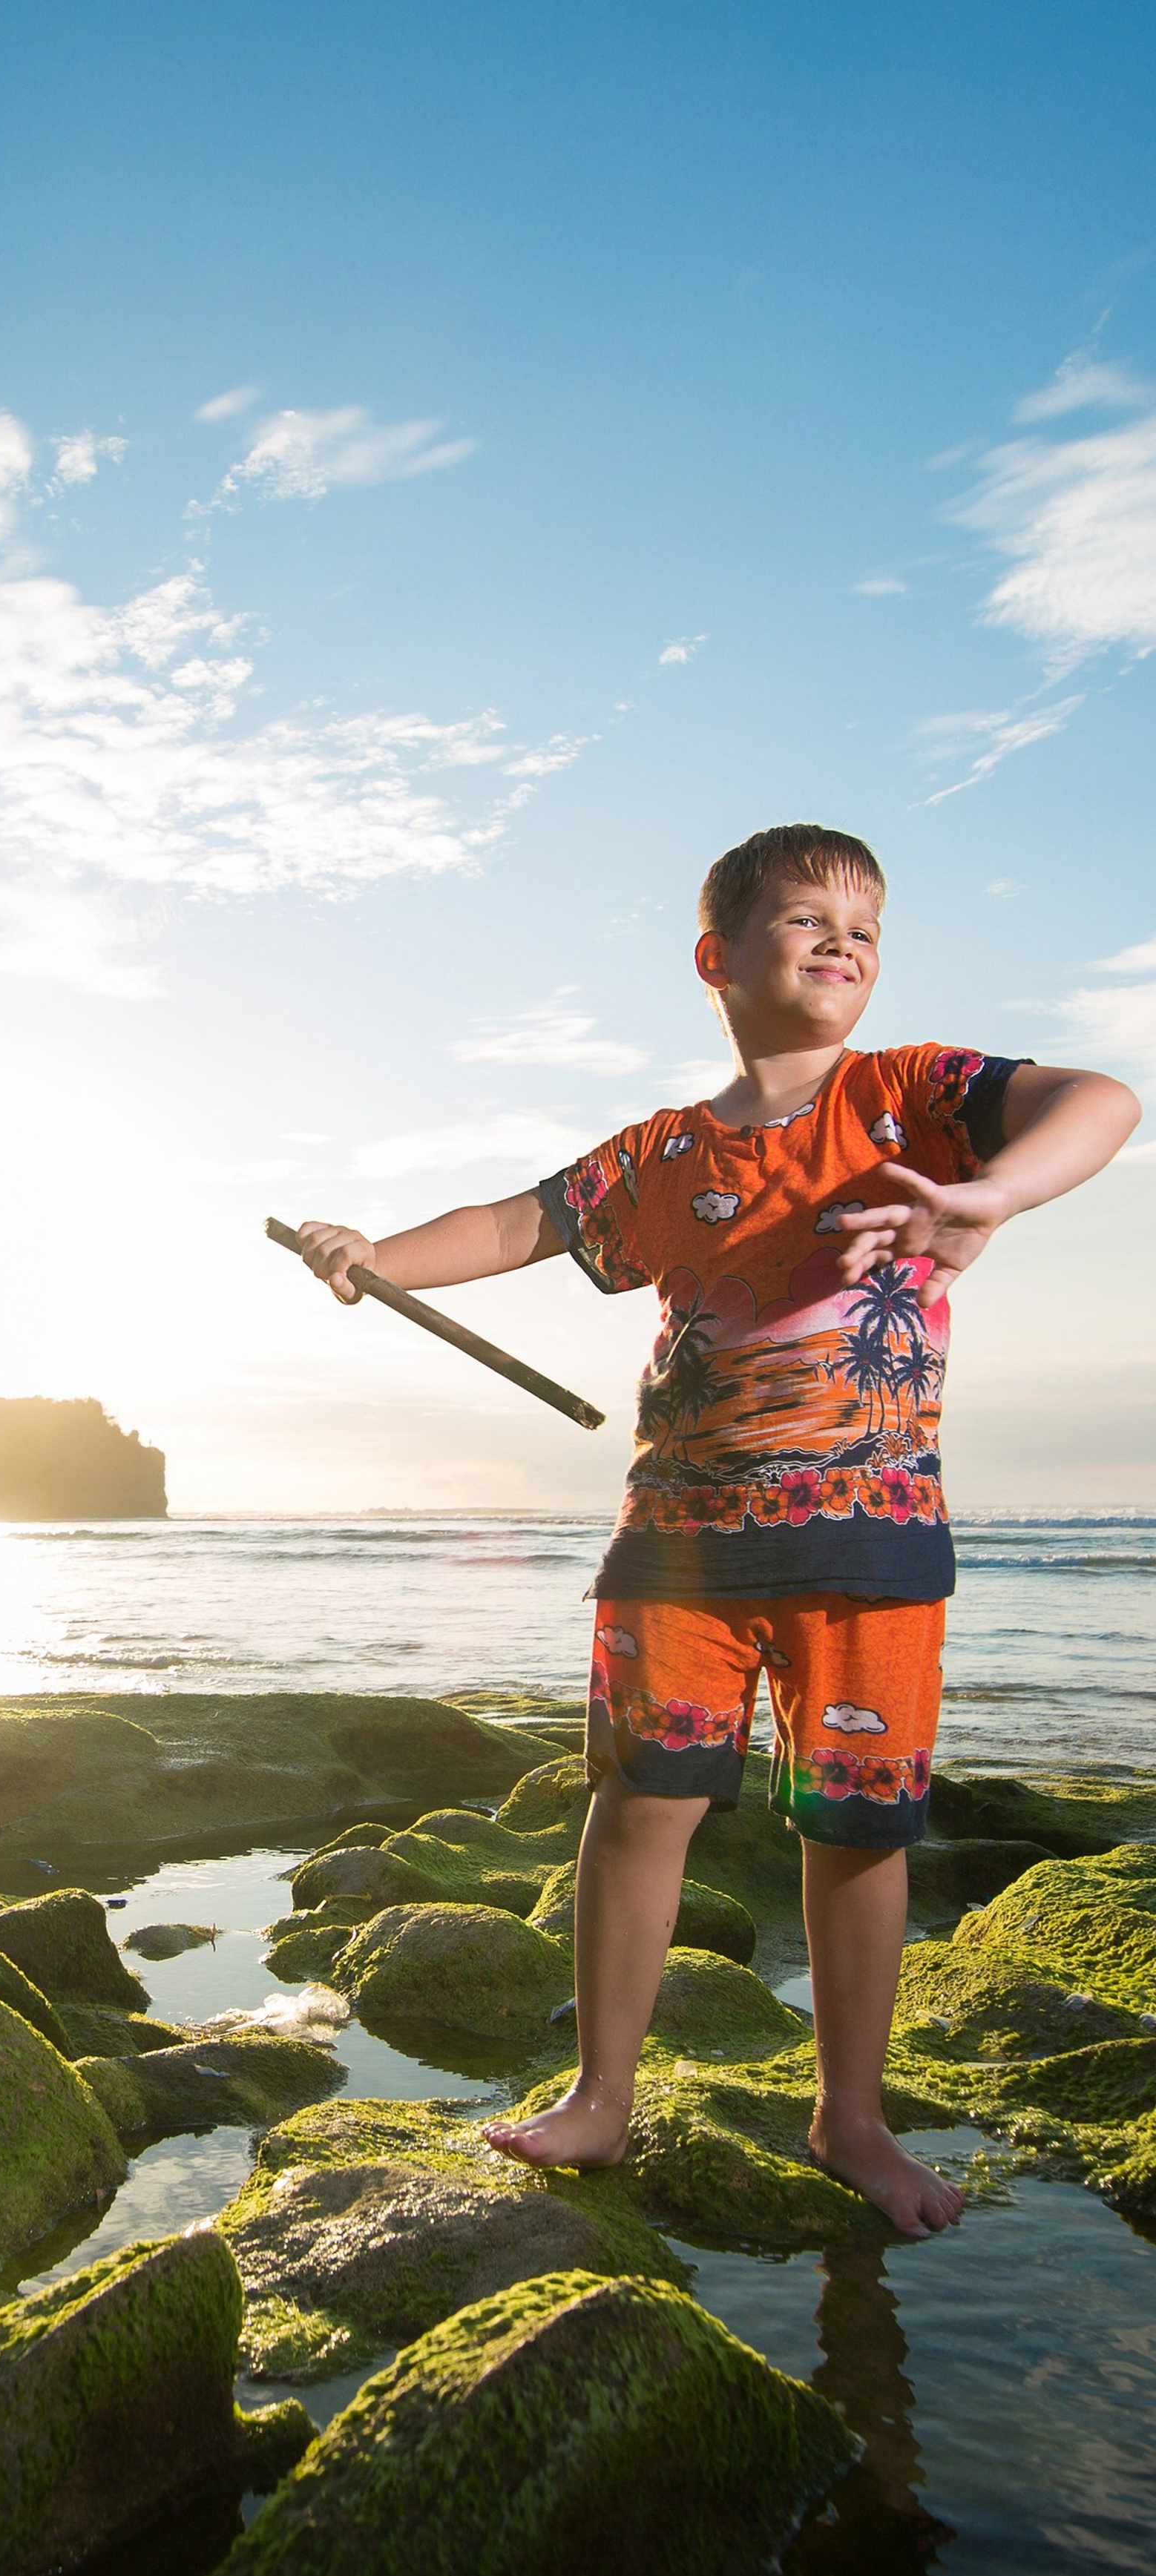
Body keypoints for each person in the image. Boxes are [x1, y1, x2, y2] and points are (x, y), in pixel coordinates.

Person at [297, 823, 1140, 2236]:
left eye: (866, 930)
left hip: (869, 1542)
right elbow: (517, 1224)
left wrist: (985, 1195)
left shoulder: (912, 1097)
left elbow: (1104, 1099)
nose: (843, 944)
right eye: (806, 920)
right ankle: (601, 2096)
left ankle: (850, 2120)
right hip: (681, 1545)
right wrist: (376, 1255)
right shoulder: (663, 1152)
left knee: (859, 1834)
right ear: (716, 959)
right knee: (638, 1812)